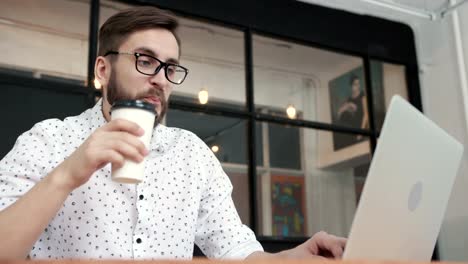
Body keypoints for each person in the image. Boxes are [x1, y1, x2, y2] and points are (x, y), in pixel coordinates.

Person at [0, 6, 346, 260]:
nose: (161, 79)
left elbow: (235, 249)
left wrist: (292, 257)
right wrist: (66, 175)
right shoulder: (48, 141)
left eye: (171, 68)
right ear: (103, 70)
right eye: (146, 60)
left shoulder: (191, 153)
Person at [337, 75, 369, 141]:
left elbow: (366, 115)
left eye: (358, 84)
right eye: (355, 84)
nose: (358, 86)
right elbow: (339, 113)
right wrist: (349, 104)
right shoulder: (350, 99)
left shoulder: (362, 95)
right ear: (351, 86)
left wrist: (361, 132)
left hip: (363, 126)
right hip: (354, 127)